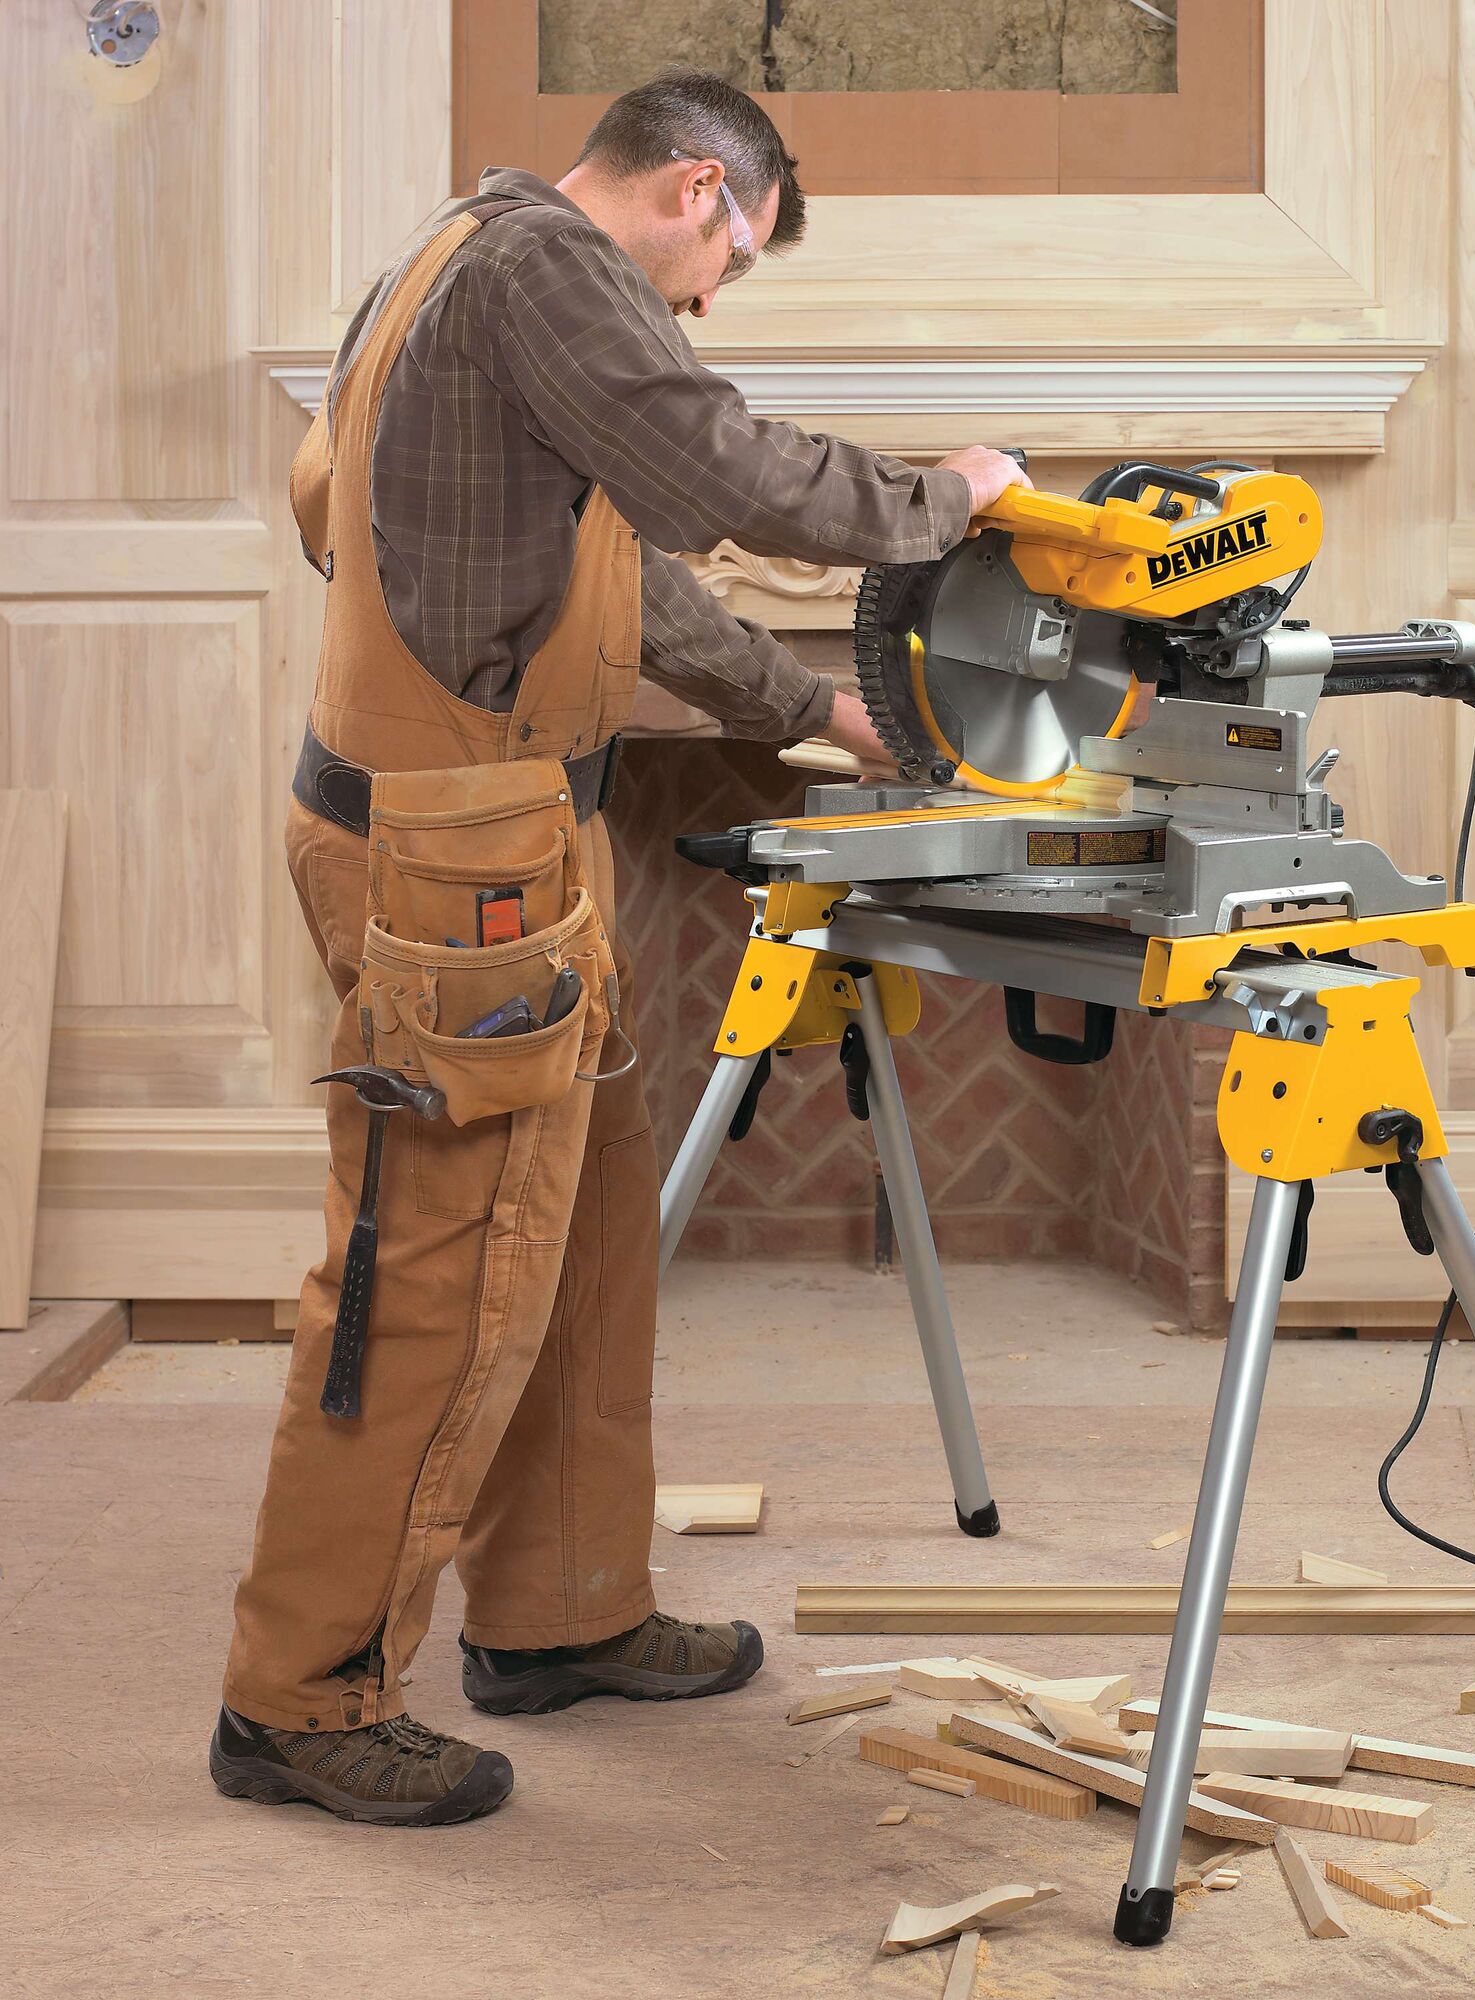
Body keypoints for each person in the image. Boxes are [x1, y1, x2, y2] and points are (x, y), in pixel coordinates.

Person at [210, 66, 1029, 1825]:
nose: (710, 302)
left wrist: (808, 703)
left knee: (579, 1234)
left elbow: (619, 566)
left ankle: (562, 1611)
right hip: (452, 852)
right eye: (724, 263)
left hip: (510, 836)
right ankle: (299, 1696)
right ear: (695, 190)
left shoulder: (463, 257)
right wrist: (944, 500)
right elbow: (718, 468)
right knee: (430, 1277)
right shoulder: (543, 272)